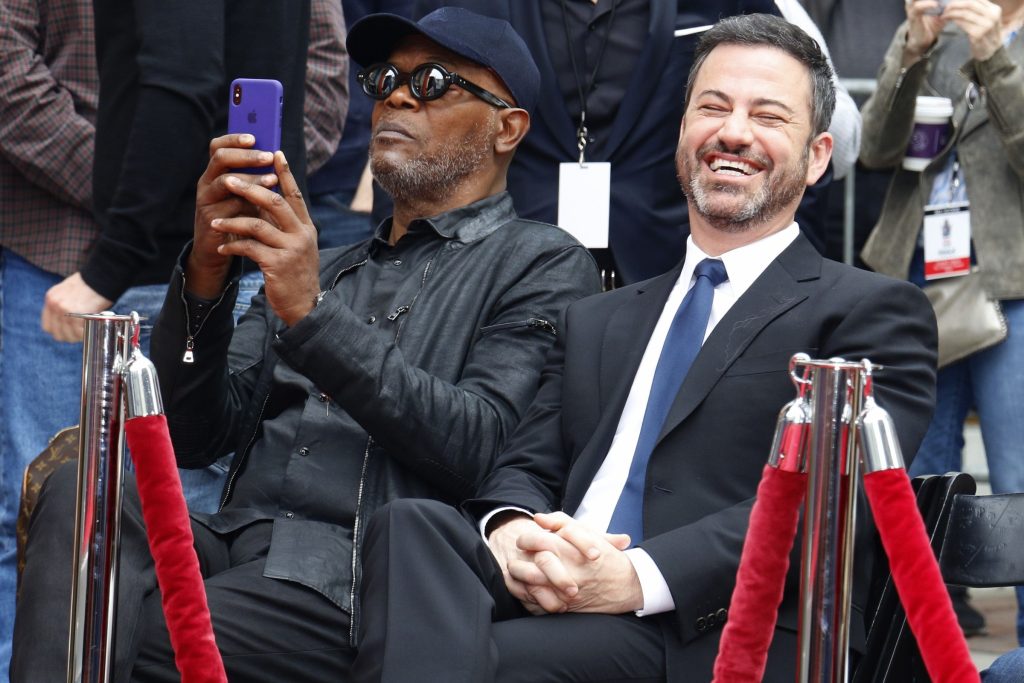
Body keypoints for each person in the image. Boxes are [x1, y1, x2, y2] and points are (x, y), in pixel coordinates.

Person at [11, 7, 600, 681]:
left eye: (434, 80)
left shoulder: (543, 261)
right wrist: (205, 275)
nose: (398, 95)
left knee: (103, 628)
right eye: (383, 79)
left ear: (508, 126)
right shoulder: (334, 264)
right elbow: (197, 435)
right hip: (234, 546)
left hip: (356, 577)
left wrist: (311, 313)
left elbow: (476, 443)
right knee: (83, 496)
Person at [350, 14, 938, 683]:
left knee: (463, 657)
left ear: (818, 157)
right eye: (712, 107)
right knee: (411, 527)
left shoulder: (870, 311)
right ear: (682, 134)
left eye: (768, 116)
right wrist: (513, 531)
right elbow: (526, 464)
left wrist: (634, 577)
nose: (734, 132)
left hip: (710, 627)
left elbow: (833, 497)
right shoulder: (600, 317)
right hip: (555, 587)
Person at [859, 0, 1024, 643]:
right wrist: (913, 48)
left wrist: (996, 59)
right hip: (918, 281)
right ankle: (922, 632)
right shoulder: (931, 38)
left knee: (1016, 471)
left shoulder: (999, 42)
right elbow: (875, 148)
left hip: (1009, 283)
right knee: (923, 465)